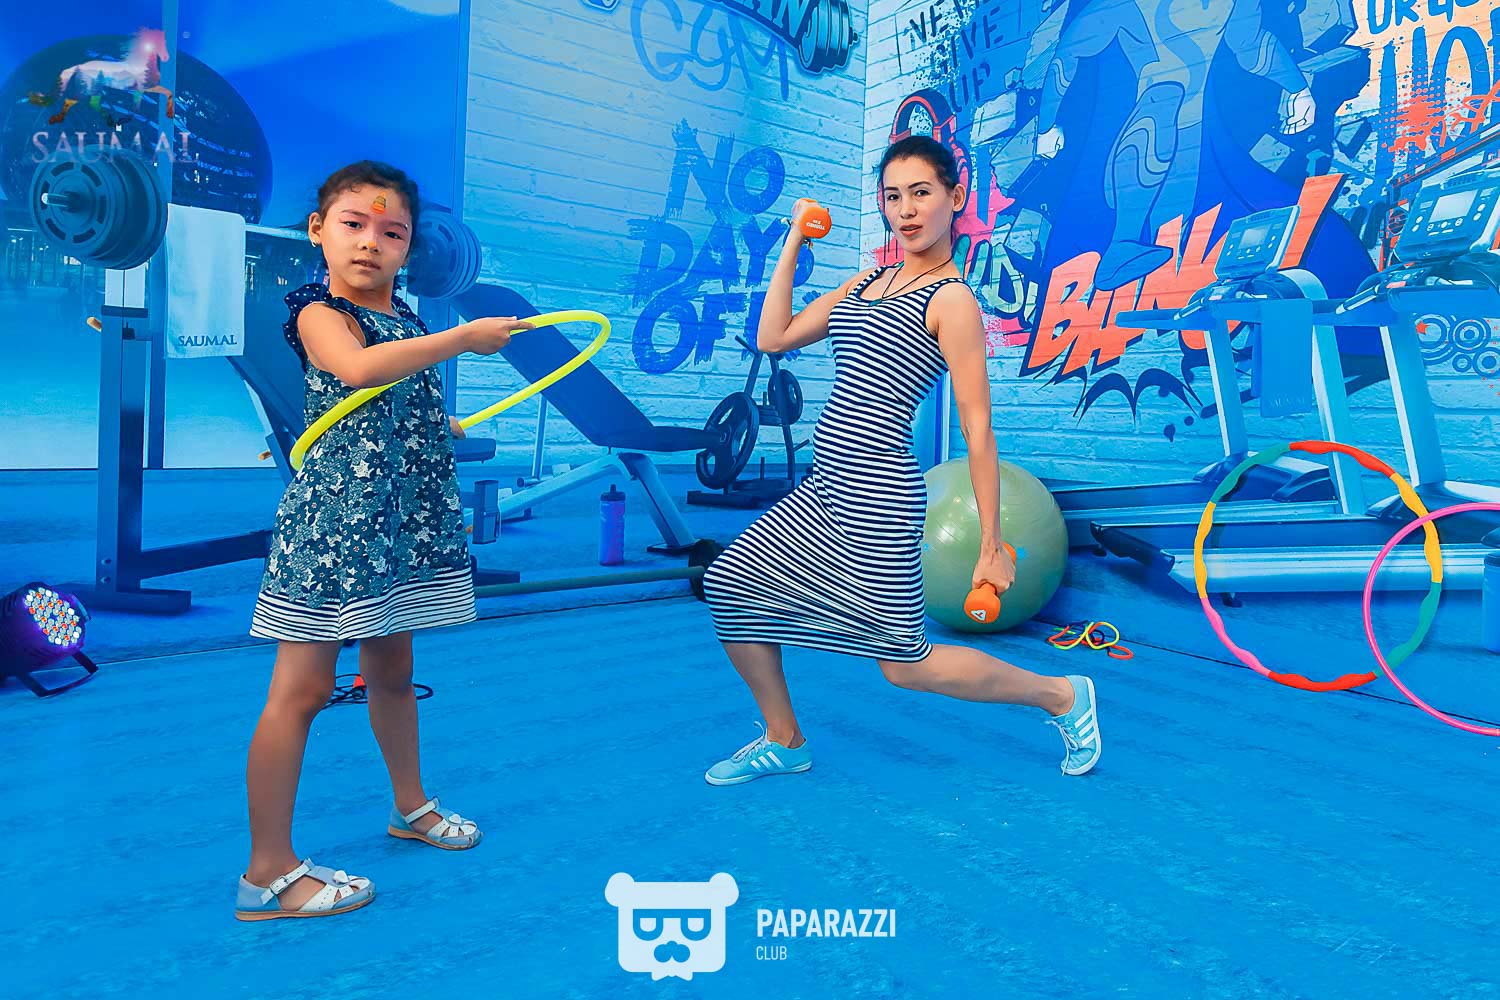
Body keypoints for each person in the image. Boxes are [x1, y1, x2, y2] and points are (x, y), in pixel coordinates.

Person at [700, 136, 1102, 786]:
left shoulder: (952, 301)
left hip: (879, 499)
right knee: (730, 586)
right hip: (826, 489)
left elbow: (978, 429)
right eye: (893, 196)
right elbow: (773, 336)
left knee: (903, 665)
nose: (906, 209)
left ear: (955, 197)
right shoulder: (867, 282)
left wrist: (991, 543)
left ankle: (1062, 695)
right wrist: (793, 240)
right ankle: (785, 740)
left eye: (921, 192)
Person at [236, 160, 533, 920]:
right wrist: (464, 338)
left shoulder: (406, 316)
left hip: (397, 526)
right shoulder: (318, 312)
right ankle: (267, 871)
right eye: (353, 224)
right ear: (318, 231)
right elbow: (357, 370)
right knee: (301, 691)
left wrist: (438, 422)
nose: (370, 242)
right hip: (337, 530)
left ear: (409, 249)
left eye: (391, 232)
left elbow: (394, 392)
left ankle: (410, 805)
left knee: (393, 674)